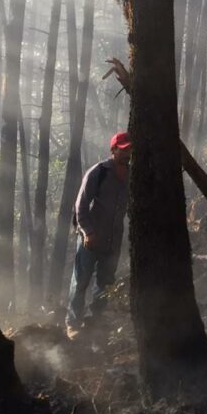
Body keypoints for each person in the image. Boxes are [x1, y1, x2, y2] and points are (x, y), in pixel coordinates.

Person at [66, 131, 132, 340]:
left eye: (129, 149)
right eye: (122, 149)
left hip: (113, 240)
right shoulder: (99, 172)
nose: (127, 153)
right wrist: (87, 232)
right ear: (113, 150)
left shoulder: (132, 174)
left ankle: (94, 324)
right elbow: (80, 205)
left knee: (105, 283)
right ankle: (73, 324)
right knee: (80, 281)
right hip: (91, 238)